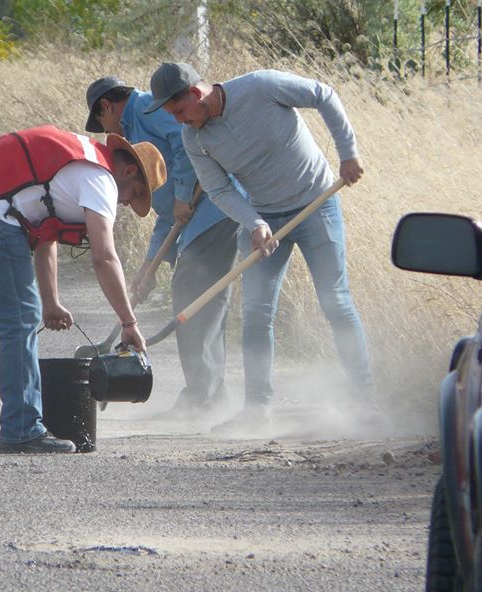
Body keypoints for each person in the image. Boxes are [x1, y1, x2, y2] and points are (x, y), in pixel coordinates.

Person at [0, 124, 167, 453]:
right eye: (135, 193)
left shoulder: (80, 164)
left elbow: (44, 233)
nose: (126, 203)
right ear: (129, 169)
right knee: (19, 320)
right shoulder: (101, 180)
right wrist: (129, 323)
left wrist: (51, 302)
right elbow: (104, 258)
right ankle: (22, 429)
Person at [144, 62, 375, 433]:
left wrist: (348, 154)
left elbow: (323, 95)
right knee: (255, 314)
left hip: (317, 204)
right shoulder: (195, 139)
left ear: (196, 94)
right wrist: (255, 222)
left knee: (336, 302)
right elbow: (218, 190)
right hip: (264, 219)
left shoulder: (262, 87)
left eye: (180, 112)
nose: (180, 121)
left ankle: (363, 403)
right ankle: (257, 410)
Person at [85, 76, 240, 419]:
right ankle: (209, 394)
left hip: (216, 209)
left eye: (101, 121)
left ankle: (203, 398)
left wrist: (184, 196)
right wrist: (149, 265)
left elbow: (183, 141)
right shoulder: (136, 133)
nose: (108, 132)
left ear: (107, 107)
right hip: (197, 216)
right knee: (199, 298)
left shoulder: (145, 107)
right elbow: (168, 215)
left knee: (193, 294)